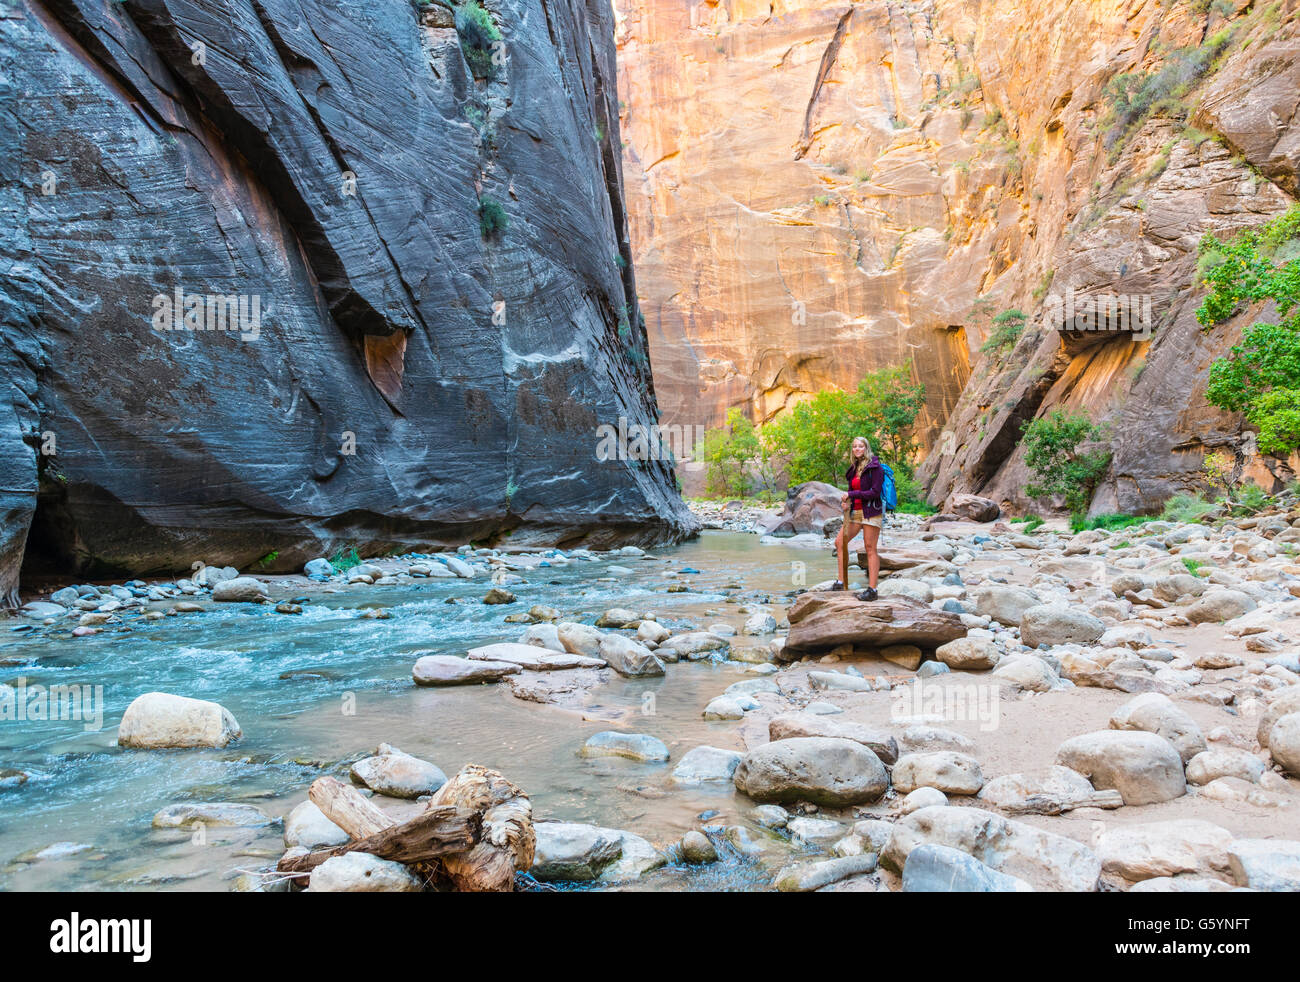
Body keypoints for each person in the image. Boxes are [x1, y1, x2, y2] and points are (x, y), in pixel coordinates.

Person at [833, 436, 883, 600]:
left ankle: (872, 590)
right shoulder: (853, 468)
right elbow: (851, 491)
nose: (857, 449)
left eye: (860, 446)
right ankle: (840, 582)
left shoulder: (875, 467)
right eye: (854, 446)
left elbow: (874, 492)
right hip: (855, 513)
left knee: (870, 548)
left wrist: (852, 494)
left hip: (871, 512)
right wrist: (848, 502)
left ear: (866, 448)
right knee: (839, 542)